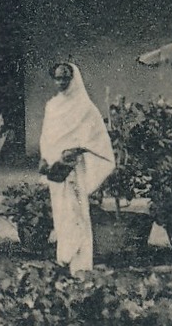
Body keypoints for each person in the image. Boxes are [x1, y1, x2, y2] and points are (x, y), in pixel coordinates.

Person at [39, 62, 116, 275]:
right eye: (57, 78)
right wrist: (45, 159)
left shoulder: (85, 107)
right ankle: (64, 258)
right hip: (56, 170)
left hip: (74, 170)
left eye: (65, 78)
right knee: (61, 214)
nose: (61, 82)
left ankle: (80, 265)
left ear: (73, 79)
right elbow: (47, 136)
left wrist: (76, 149)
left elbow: (96, 137)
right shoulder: (52, 106)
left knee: (77, 213)